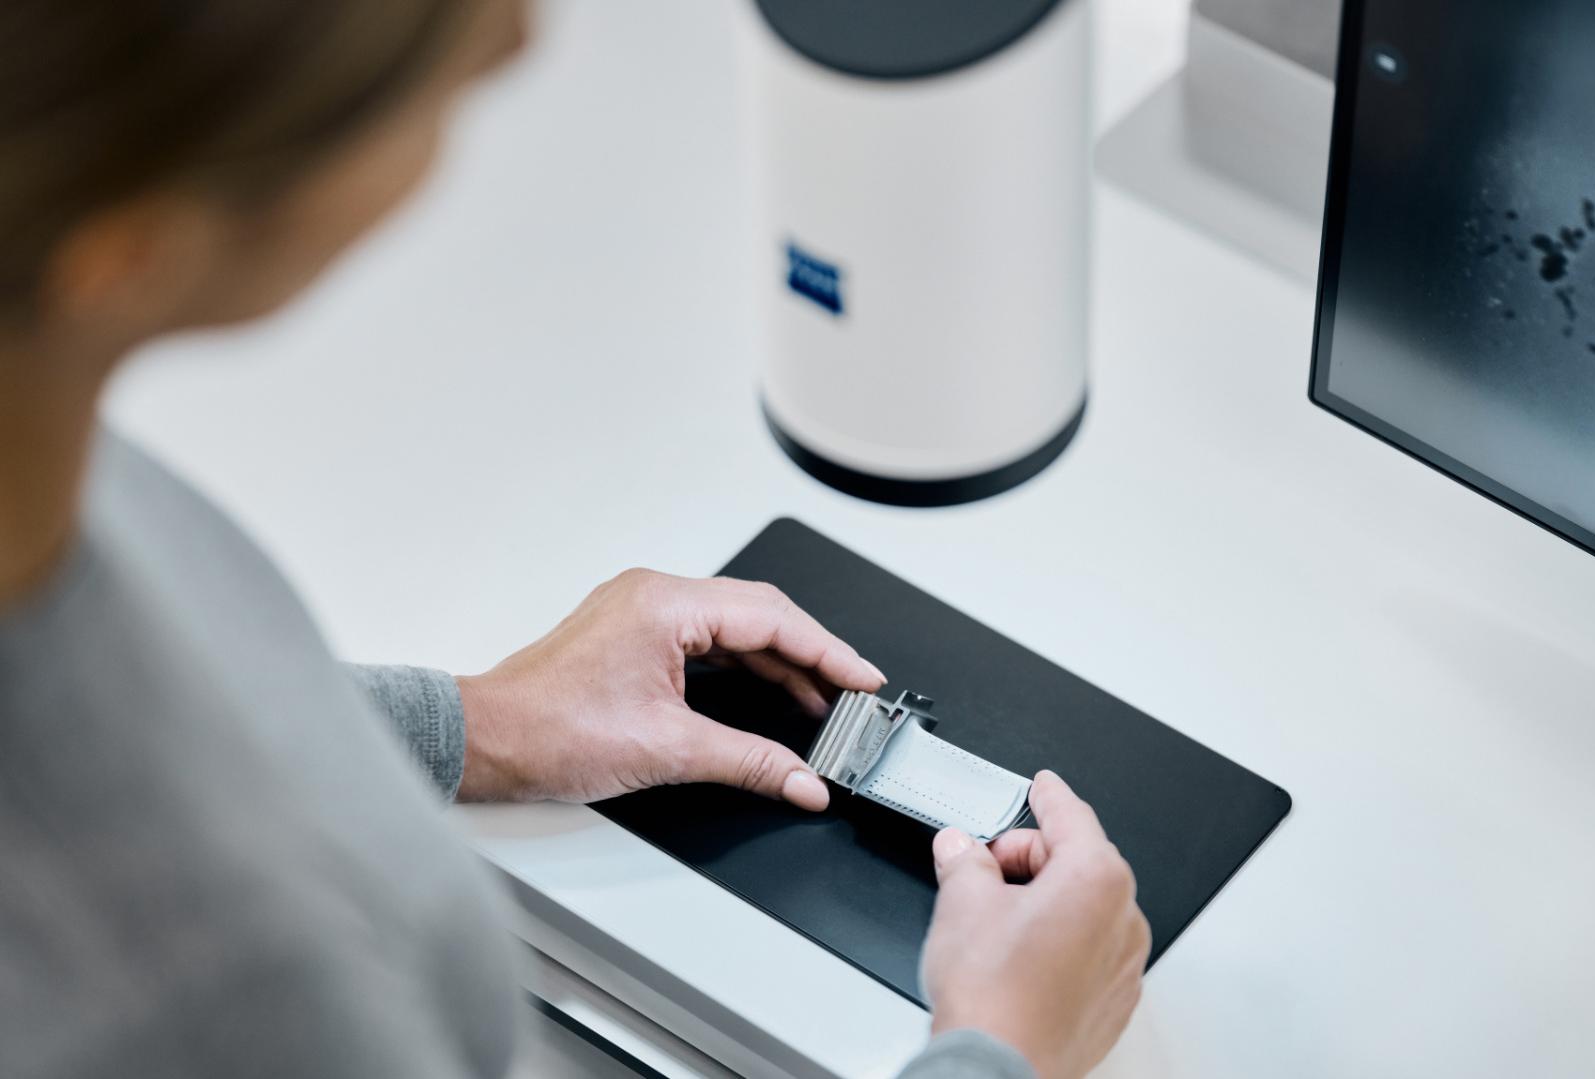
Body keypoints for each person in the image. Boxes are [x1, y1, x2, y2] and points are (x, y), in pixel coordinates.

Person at [0, 2, 1149, 1077]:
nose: (515, 42)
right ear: (130, 253)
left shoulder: (33, 417)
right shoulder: (207, 1001)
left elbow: (164, 703)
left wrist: (479, 723)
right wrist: (998, 1049)